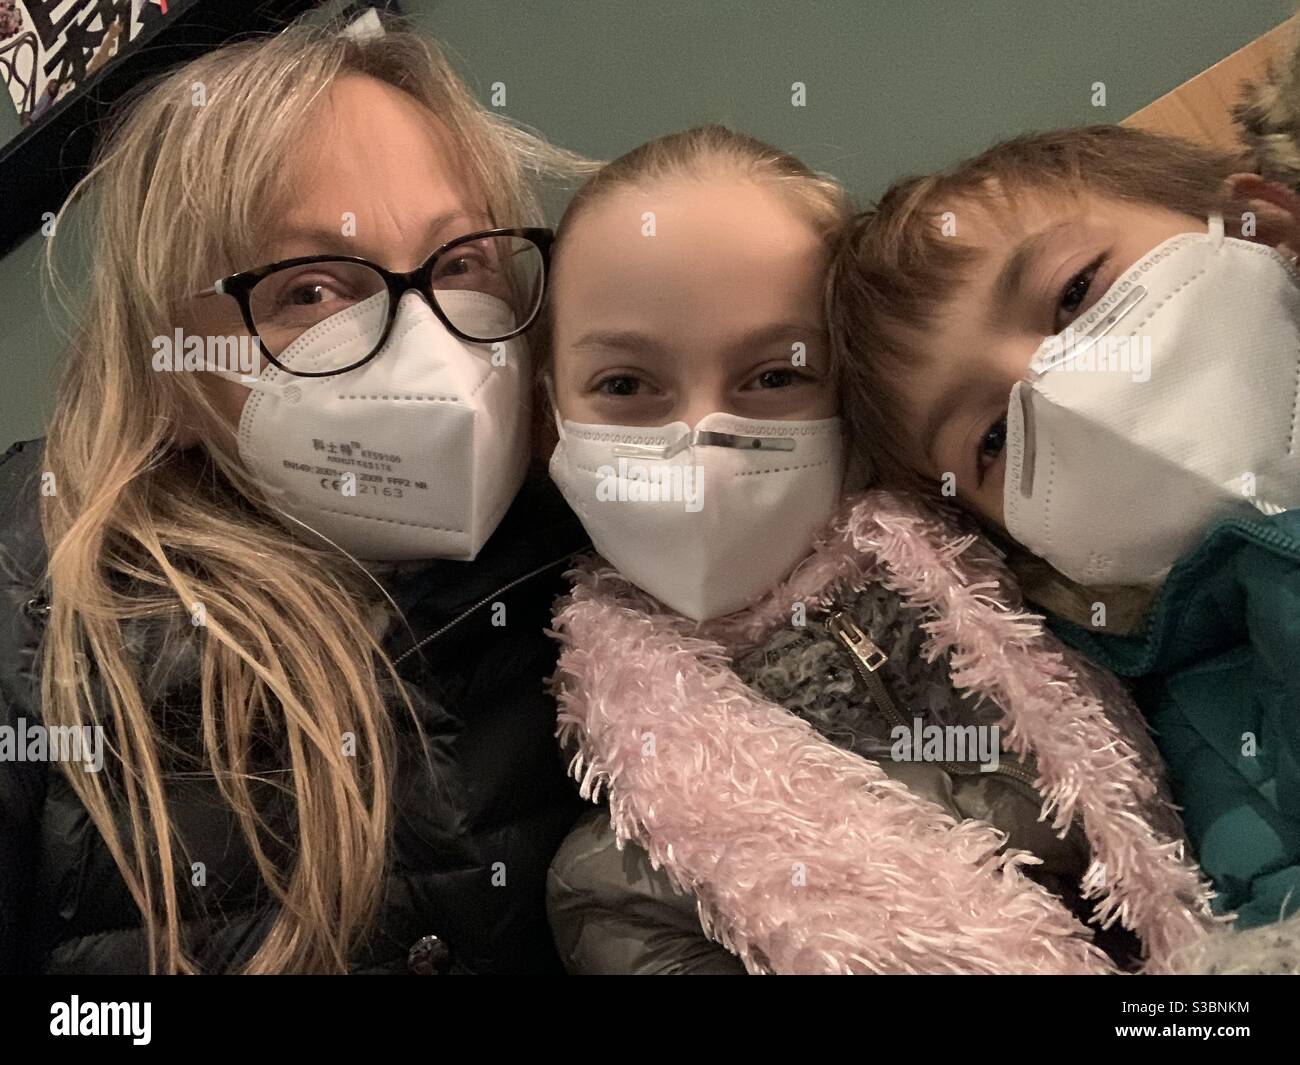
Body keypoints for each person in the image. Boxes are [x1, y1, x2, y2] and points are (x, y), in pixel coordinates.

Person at [540, 125, 1216, 975]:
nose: (699, 440)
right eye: (627, 386)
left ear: (856, 397)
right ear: (549, 413)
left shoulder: (1050, 559)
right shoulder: (621, 883)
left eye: (775, 375)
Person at [0, 17, 593, 974]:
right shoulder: (38, 609)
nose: (426, 345)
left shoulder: (607, 574)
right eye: (313, 291)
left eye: (460, 264)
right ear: (171, 374)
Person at [827, 123, 1300, 934]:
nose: (1056, 393)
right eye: (993, 439)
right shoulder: (1192, 747)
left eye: (1075, 292)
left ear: (1264, 227)